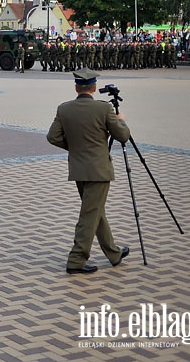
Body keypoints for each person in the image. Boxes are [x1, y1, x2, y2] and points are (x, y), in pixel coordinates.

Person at [46, 69, 131, 274]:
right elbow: (123, 136)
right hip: (99, 170)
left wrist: (75, 148)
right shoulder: (103, 109)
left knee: (95, 210)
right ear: (94, 88)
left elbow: (53, 137)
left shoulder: (64, 109)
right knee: (89, 214)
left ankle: (113, 252)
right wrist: (120, 119)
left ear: (76, 87)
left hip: (78, 168)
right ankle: (76, 260)